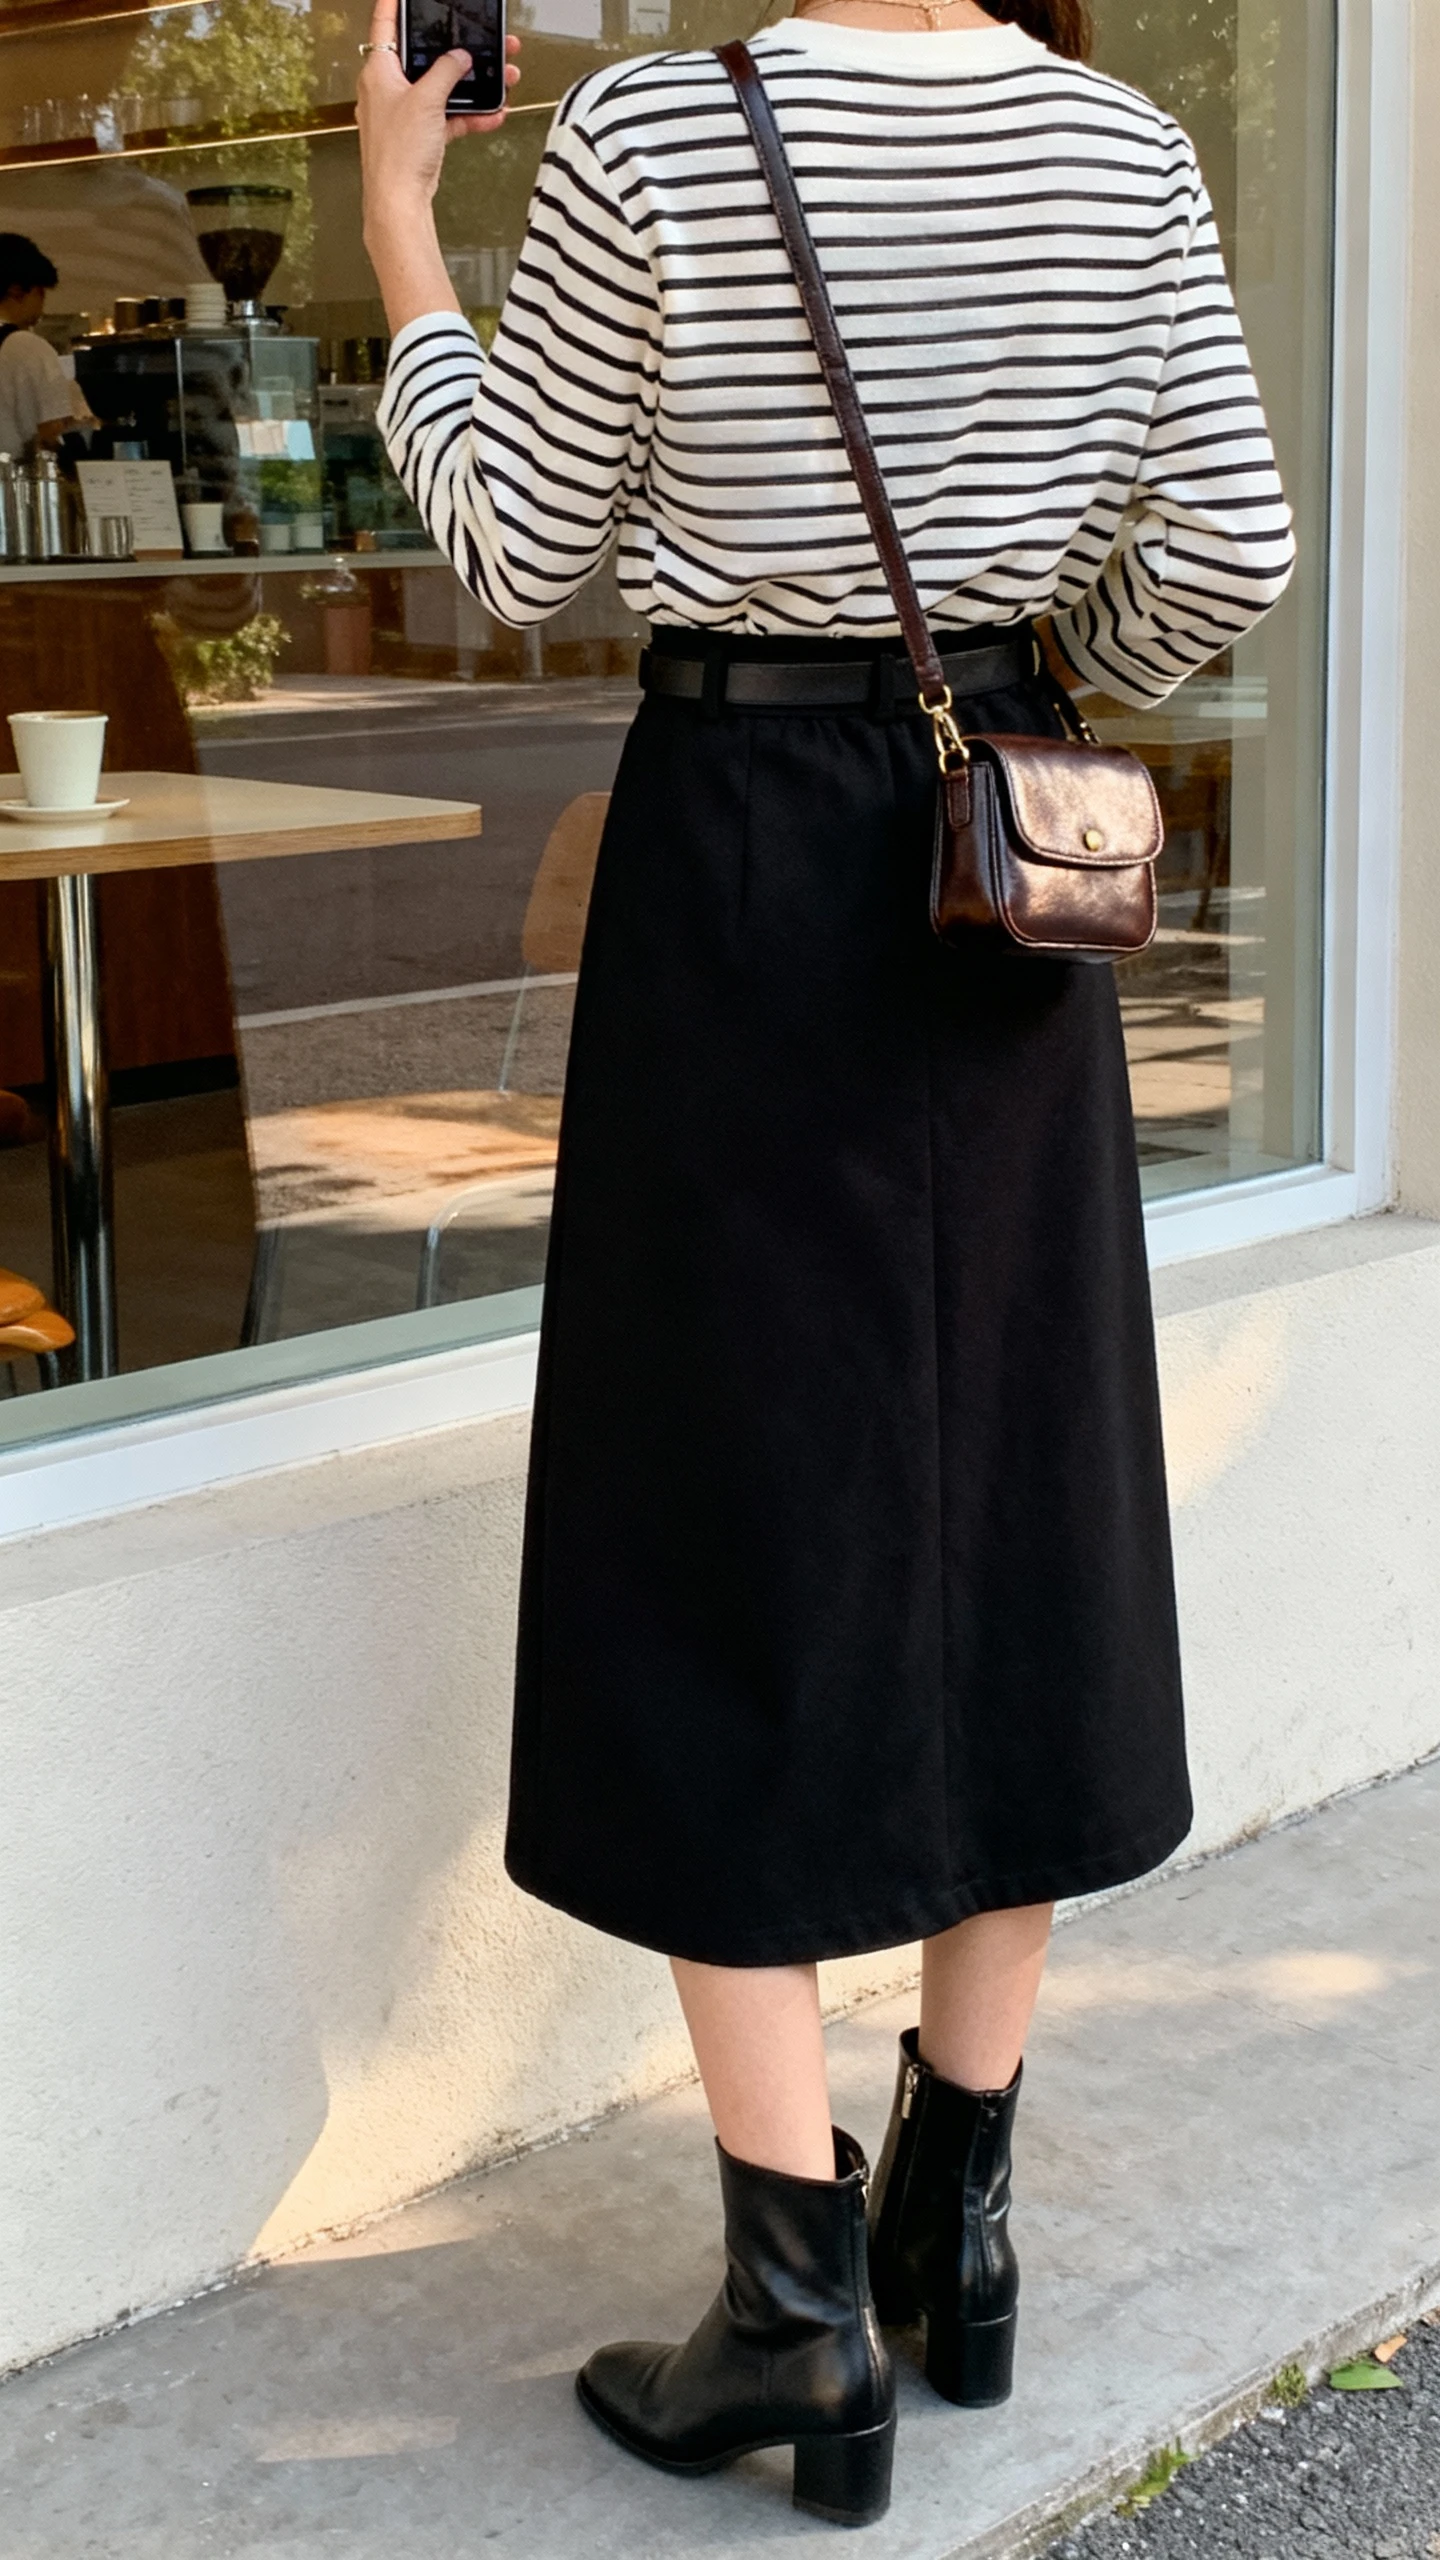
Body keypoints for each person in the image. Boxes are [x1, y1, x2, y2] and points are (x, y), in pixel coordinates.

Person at [358, 0, 1293, 2526]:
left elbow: (522, 544)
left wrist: (393, 234)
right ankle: (950, 2217)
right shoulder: (1116, 147)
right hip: (997, 856)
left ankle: (793, 2313)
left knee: (717, 1532)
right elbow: (1227, 542)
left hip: (747, 865)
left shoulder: (663, 127)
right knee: (1010, 1506)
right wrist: (1011, 647)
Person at [0, 235, 90, 459]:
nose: (41, 307)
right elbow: (51, 433)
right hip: (13, 484)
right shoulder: (28, 346)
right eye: (41, 293)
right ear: (16, 291)